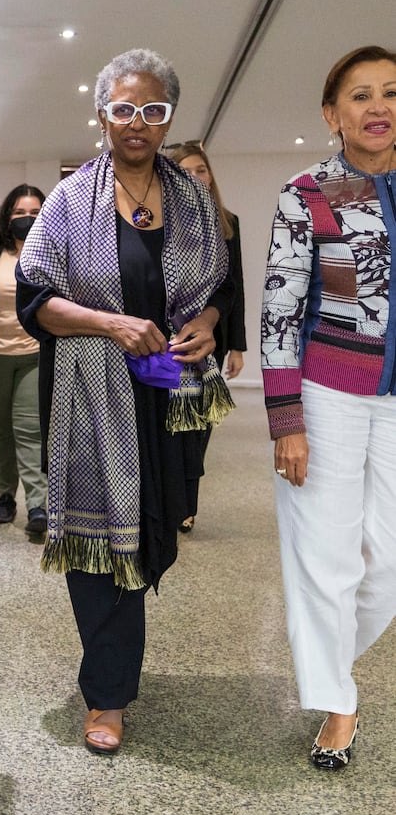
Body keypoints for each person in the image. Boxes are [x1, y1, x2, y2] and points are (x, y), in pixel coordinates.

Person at [17, 48, 232, 755]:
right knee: (101, 546)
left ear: (168, 118)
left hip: (170, 389)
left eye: (153, 110)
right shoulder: (70, 200)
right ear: (102, 114)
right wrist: (112, 324)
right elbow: (36, 300)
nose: (137, 123)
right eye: (123, 108)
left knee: (156, 525)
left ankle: (116, 665)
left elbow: (216, 291)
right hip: (91, 390)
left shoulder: (193, 197)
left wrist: (206, 323)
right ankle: (107, 696)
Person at [261, 45, 396, 771]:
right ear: (332, 114)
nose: (378, 107)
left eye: (391, 93)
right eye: (361, 95)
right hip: (330, 394)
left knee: (391, 562)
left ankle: (328, 662)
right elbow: (280, 309)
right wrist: (287, 421)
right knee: (326, 558)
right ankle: (338, 704)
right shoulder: (310, 191)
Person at [168, 141, 247, 532]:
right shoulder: (162, 221)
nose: (197, 177)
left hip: (213, 340)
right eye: (187, 170)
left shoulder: (227, 221)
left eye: (201, 169)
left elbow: (236, 287)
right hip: (174, 338)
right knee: (178, 426)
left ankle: (189, 504)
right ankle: (175, 500)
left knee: (201, 426)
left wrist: (238, 346)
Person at [0, 184, 48, 536]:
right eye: (20, 213)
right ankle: (6, 497)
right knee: (1, 431)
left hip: (34, 354)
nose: (27, 219)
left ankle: (38, 503)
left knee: (29, 429)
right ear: (7, 216)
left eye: (35, 213)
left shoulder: (52, 251)